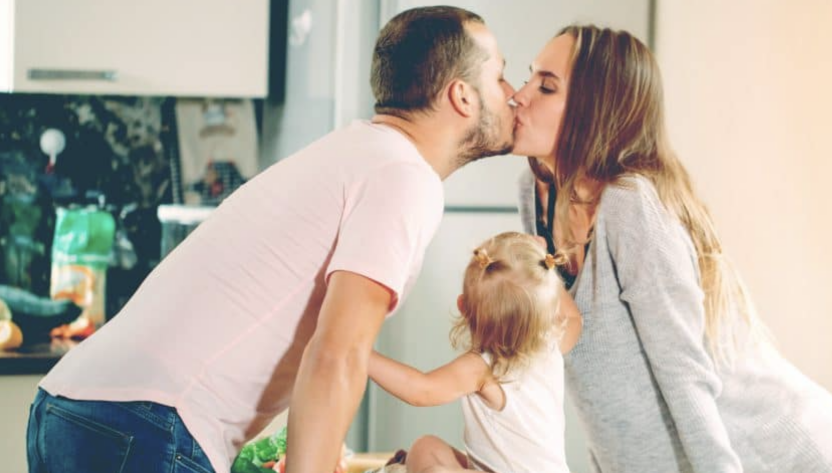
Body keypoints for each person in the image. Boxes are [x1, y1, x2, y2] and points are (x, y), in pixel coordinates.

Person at [25, 7, 516, 473]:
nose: (513, 93)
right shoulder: (404, 177)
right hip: (146, 422)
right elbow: (337, 355)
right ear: (462, 96)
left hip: (76, 408)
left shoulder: (358, 153)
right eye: (499, 77)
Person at [511, 25, 832, 473]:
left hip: (784, 453)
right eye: (529, 78)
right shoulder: (537, 195)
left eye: (546, 86)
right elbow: (599, 382)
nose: (519, 96)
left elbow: (683, 370)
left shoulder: (629, 203)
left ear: (596, 108)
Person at [368, 231, 581, 473]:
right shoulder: (551, 345)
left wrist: (361, 353)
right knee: (426, 448)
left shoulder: (484, 368)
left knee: (432, 466)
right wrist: (544, 264)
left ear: (463, 307)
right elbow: (573, 318)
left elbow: (420, 390)